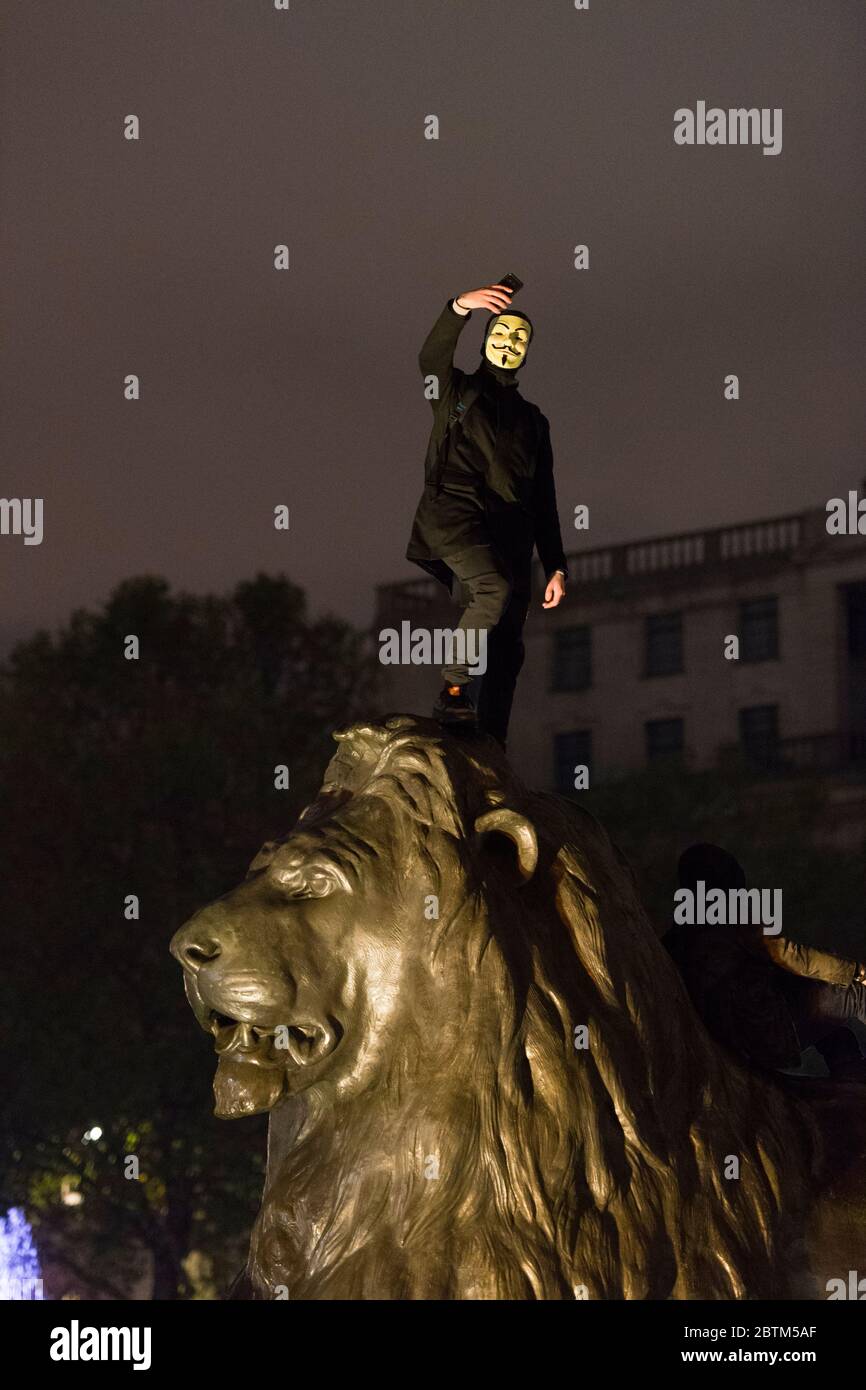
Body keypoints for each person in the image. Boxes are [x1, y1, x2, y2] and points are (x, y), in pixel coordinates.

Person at [406, 283, 568, 748]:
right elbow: (430, 359)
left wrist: (556, 563)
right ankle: (453, 689)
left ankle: (492, 743)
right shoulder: (457, 392)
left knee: (508, 645)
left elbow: (545, 498)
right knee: (491, 587)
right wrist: (459, 306)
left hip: (511, 532)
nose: (510, 342)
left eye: (520, 338)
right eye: (502, 333)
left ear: (527, 351)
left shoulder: (533, 421)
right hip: (454, 513)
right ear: (485, 339)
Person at [663, 843, 866, 1078]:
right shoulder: (732, 920)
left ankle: (851, 1077)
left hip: (731, 1045)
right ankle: (850, 1073)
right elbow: (791, 956)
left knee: (824, 1012)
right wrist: (857, 973)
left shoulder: (677, 939)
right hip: (769, 1034)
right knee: (854, 995)